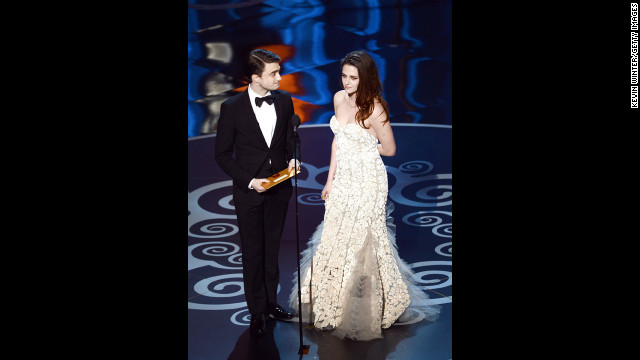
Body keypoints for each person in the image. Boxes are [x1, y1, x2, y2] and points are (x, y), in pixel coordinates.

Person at [288, 50, 440, 341]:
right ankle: (330, 305)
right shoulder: (337, 99)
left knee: (363, 242)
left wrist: (366, 148)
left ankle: (378, 306)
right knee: (335, 237)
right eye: (344, 76)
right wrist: (329, 181)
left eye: (353, 77)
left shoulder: (375, 108)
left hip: (369, 181)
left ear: (365, 77)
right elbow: (339, 140)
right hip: (343, 180)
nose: (347, 82)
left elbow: (390, 149)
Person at [215, 48, 300, 336]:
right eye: (273, 73)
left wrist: (293, 158)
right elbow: (223, 155)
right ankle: (257, 312)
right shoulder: (232, 108)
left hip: (280, 189)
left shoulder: (286, 101)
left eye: (279, 71)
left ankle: (272, 303)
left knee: (272, 249)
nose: (280, 77)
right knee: (253, 252)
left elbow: (289, 137)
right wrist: (251, 181)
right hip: (250, 192)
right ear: (255, 77)